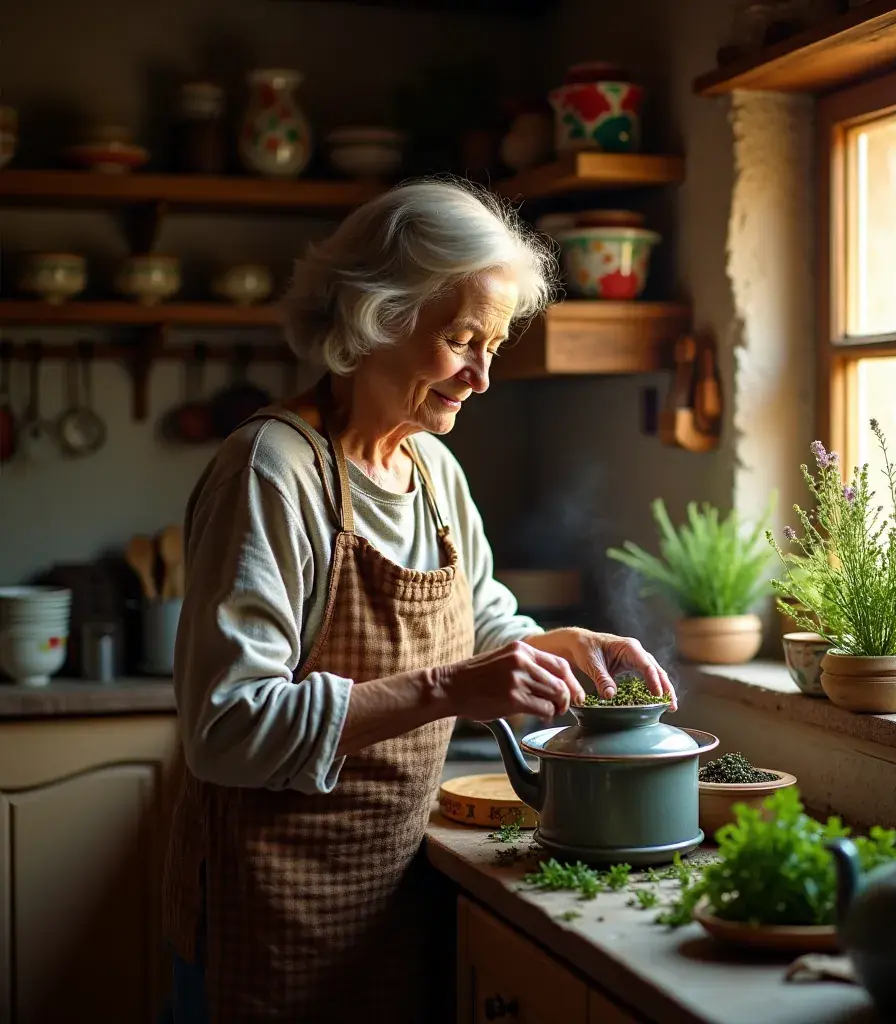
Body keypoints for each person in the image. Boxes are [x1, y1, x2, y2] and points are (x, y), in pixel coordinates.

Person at [162, 178, 676, 1023]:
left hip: (393, 894)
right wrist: (450, 689)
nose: (479, 376)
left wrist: (560, 643)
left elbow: (481, 621)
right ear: (377, 316)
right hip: (269, 912)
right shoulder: (273, 470)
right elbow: (228, 728)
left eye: (494, 346)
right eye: (460, 339)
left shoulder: (434, 473)